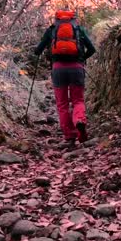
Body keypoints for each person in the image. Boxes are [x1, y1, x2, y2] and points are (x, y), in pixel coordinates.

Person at [34, 9, 96, 147]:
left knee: (62, 104)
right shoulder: (79, 30)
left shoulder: (51, 31)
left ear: (56, 19)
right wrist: (81, 59)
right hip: (77, 69)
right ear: (73, 19)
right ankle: (79, 120)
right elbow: (92, 49)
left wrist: (44, 51)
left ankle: (70, 136)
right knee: (78, 100)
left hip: (58, 70)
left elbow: (37, 50)